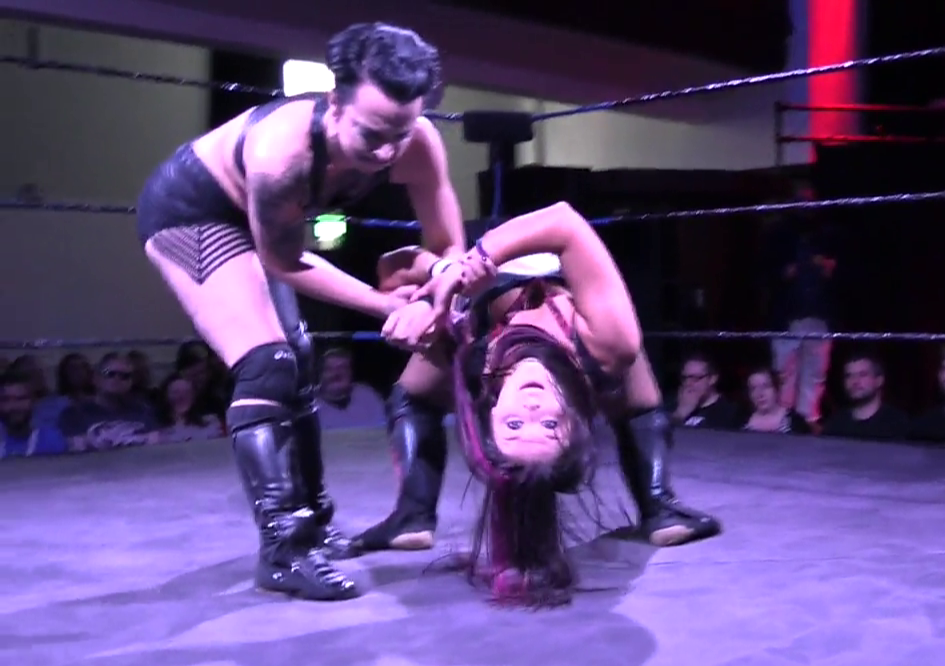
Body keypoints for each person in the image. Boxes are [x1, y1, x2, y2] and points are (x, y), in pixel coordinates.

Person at [134, 22, 464, 602]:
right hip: (193, 214)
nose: (386, 152)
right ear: (334, 103)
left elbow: (449, 246)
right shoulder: (281, 154)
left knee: (301, 360)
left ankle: (314, 523)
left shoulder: (417, 143)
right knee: (268, 364)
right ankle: (282, 551)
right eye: (371, 134)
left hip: (266, 225)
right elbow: (284, 261)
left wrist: (436, 299)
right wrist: (388, 306)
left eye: (401, 132)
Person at [374, 203, 722, 606]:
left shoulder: (474, 352)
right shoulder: (600, 340)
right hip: (562, 281)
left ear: (492, 416)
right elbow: (562, 222)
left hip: (483, 285)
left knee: (413, 392)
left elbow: (390, 268)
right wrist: (469, 266)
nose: (532, 410)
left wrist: (428, 291)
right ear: (572, 424)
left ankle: (412, 513)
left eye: (514, 426)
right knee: (622, 352)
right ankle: (658, 502)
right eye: (549, 427)